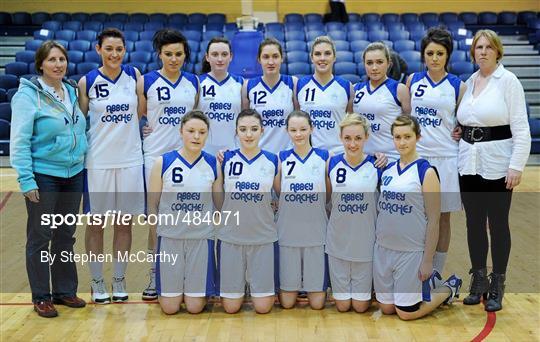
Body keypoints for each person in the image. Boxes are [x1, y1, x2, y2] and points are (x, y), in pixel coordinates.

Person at [10, 40, 88, 317]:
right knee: (40, 238)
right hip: (44, 175)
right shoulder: (27, 96)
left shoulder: (70, 90)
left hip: (74, 174)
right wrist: (27, 180)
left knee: (65, 235)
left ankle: (65, 290)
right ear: (41, 64)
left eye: (62, 59)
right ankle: (42, 295)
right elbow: (18, 142)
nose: (58, 64)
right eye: (52, 60)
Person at [456, 29, 531, 312]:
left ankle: (497, 282)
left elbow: (521, 127)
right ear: (473, 52)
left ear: (497, 51)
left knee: (498, 224)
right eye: (478, 47)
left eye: (488, 47)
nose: (483, 51)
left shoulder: (508, 81)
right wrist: (460, 131)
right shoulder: (470, 81)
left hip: (498, 164)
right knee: (473, 223)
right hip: (469, 162)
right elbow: (466, 120)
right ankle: (478, 281)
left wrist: (516, 165)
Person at [373, 115, 462, 320]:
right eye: (397, 137)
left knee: (405, 313)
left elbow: (434, 220)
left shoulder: (426, 172)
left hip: (410, 253)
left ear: (418, 137)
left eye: (407, 136)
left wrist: (427, 261)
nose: (402, 142)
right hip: (383, 249)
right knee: (386, 309)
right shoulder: (387, 170)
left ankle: (449, 288)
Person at [78, 28, 144, 304]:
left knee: (124, 224)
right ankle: (96, 280)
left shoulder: (135, 76)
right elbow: (81, 122)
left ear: (124, 50)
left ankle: (118, 279)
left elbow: (141, 113)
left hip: (130, 160)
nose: (114, 54)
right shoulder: (87, 81)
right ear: (98, 49)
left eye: (119, 49)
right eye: (109, 49)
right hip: (98, 163)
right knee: (96, 224)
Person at [138, 28, 199, 301]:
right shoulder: (147, 82)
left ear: (185, 55)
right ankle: (155, 275)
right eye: (168, 54)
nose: (173, 59)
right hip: (155, 158)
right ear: (159, 55)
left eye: (178, 54)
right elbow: (138, 116)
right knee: (156, 220)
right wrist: (143, 128)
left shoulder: (194, 83)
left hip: (187, 159)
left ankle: (186, 274)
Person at [147, 110, 221, 314]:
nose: (196, 136)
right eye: (191, 131)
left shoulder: (213, 163)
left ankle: (197, 287)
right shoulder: (163, 162)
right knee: (170, 308)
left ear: (207, 135)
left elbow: (220, 205)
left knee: (195, 307)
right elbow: (152, 205)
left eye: (202, 132)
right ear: (181, 132)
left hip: (201, 240)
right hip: (170, 238)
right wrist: (155, 242)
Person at [406, 27, 467, 278]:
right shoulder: (412, 81)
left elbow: (464, 121)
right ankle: (414, 267)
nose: (434, 58)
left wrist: (461, 129)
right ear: (423, 55)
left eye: (440, 53)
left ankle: (436, 272)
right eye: (429, 53)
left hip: (446, 158)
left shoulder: (458, 86)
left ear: (447, 55)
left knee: (442, 219)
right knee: (415, 216)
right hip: (418, 158)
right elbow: (407, 120)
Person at [216, 109, 279, 314]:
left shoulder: (273, 160)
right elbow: (218, 198)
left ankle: (253, 283)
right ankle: (241, 284)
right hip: (231, 237)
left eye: (253, 129)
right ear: (236, 132)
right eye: (243, 129)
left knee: (262, 308)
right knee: (231, 308)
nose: (248, 134)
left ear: (262, 130)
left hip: (262, 238)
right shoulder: (225, 159)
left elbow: (281, 195)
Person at [275, 110, 329, 310]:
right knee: (287, 303)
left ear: (311, 129)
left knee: (317, 304)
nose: (298, 134)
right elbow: (278, 191)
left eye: (303, 129)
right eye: (293, 130)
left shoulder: (325, 157)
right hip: (288, 233)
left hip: (316, 234)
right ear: (287, 131)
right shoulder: (280, 158)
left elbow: (329, 194)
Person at [326, 113, 380, 313]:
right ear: (340, 137)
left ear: (366, 137)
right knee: (341, 306)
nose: (353, 144)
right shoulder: (330, 164)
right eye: (347, 138)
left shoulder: (378, 165)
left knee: (359, 307)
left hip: (365, 244)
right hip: (337, 244)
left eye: (358, 138)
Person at [353, 42, 412, 161]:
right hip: (362, 158)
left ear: (388, 64)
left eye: (379, 62)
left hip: (391, 158)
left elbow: (409, 127)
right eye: (369, 63)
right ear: (364, 64)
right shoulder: (355, 89)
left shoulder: (399, 89)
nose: (374, 68)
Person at [297, 36, 353, 154]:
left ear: (334, 57)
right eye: (317, 54)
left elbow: (351, 125)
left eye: (327, 53)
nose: (322, 58)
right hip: (308, 154)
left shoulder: (346, 87)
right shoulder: (300, 85)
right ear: (312, 58)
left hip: (338, 154)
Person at [242, 38, 298, 154]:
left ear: (282, 58)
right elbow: (243, 123)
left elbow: (299, 119)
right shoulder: (248, 86)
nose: (271, 62)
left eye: (275, 56)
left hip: (287, 155)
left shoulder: (293, 83)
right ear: (259, 60)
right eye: (266, 57)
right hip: (258, 155)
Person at [197, 37, 243, 155]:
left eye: (224, 54)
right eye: (215, 54)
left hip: (233, 149)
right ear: (207, 57)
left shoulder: (241, 83)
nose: (220, 59)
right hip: (203, 151)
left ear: (231, 56)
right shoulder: (197, 82)